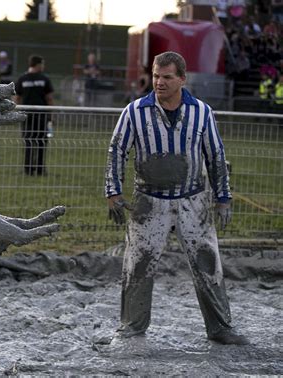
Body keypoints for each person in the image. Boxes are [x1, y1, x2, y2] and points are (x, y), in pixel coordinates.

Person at [105, 51, 249, 345]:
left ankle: (221, 327)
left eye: (167, 77)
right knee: (138, 265)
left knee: (207, 264)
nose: (159, 82)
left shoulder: (202, 112)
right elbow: (116, 150)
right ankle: (132, 326)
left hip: (193, 201)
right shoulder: (134, 111)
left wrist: (223, 197)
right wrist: (113, 192)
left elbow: (216, 155)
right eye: (156, 76)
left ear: (182, 79)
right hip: (148, 201)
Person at [15, 54, 54, 176]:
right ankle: (40, 169)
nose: (43, 66)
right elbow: (49, 98)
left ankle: (28, 169)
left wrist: (17, 112)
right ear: (38, 65)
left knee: (28, 141)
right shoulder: (44, 79)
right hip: (42, 115)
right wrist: (51, 115)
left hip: (26, 115)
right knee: (41, 141)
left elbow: (16, 98)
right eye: (42, 64)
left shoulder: (22, 79)